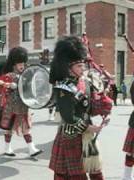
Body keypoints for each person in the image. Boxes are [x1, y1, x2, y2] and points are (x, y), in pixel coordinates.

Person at [49, 36, 104, 179]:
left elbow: (90, 107)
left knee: (95, 171)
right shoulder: (63, 88)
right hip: (71, 135)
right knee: (72, 175)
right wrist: (88, 128)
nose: (83, 68)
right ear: (68, 67)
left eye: (83, 65)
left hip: (87, 135)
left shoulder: (85, 83)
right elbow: (68, 117)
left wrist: (104, 107)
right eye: (79, 66)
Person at [0, 47, 43, 157]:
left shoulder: (26, 75)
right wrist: (7, 85)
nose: (22, 65)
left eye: (23, 63)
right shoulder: (8, 76)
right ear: (14, 64)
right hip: (10, 107)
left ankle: (31, 149)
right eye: (19, 63)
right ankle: (7, 148)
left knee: (26, 128)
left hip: (23, 106)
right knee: (8, 129)